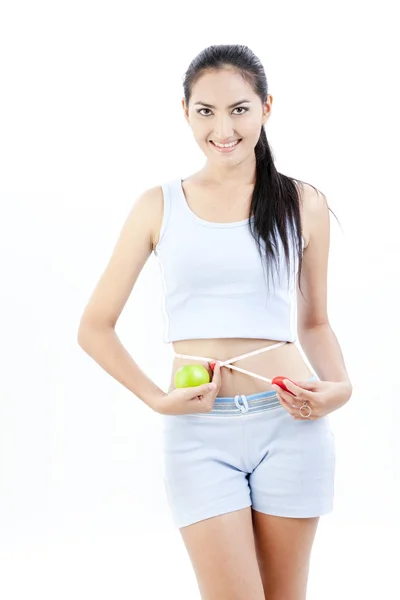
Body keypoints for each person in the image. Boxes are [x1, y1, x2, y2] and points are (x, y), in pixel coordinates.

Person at [78, 44, 353, 600]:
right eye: (205, 111)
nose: (223, 127)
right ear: (185, 113)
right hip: (198, 434)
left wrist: (340, 390)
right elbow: (94, 327)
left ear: (266, 108)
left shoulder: (302, 202)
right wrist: (156, 398)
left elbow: (316, 322)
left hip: (290, 422)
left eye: (239, 109)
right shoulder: (158, 205)